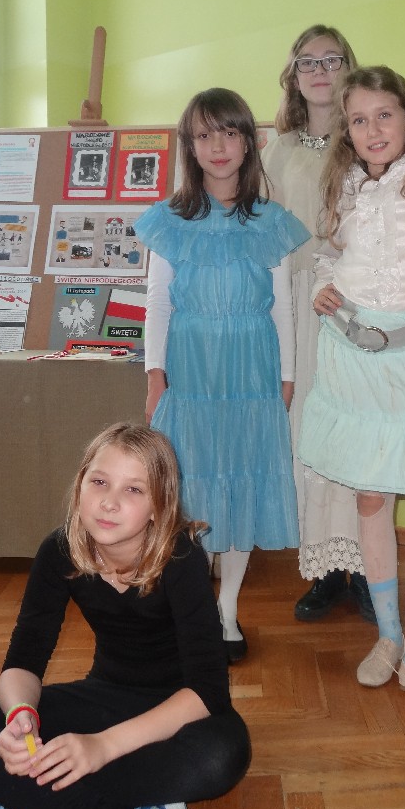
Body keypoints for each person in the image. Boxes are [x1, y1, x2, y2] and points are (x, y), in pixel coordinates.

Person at [0, 423, 250, 809]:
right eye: (99, 481)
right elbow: (23, 660)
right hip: (104, 698)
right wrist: (19, 717)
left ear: (159, 506)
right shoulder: (59, 551)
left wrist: (102, 747)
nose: (109, 501)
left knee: (221, 758)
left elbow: (207, 692)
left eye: (133, 490)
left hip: (181, 711)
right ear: (80, 484)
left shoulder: (181, 557)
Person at [297, 66, 405, 703]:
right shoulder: (343, 185)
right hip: (352, 355)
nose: (372, 130)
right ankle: (391, 638)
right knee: (370, 498)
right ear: (346, 130)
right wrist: (323, 283)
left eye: (384, 115)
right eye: (358, 120)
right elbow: (331, 251)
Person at [138, 88, 308, 664]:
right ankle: (190, 612)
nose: (218, 146)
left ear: (249, 143)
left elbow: (282, 308)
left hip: (251, 374)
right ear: (190, 145)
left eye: (229, 133)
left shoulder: (270, 222)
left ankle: (227, 610)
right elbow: (158, 305)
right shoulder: (170, 220)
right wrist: (154, 375)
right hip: (190, 374)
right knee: (190, 491)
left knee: (240, 488)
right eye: (204, 134)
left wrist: (287, 377)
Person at [262, 25, 375, 624]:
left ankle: (369, 568)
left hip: (361, 300)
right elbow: (264, 233)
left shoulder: (366, 136)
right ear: (294, 74)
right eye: (308, 61)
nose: (320, 70)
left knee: (360, 428)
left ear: (348, 67)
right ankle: (328, 569)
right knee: (313, 431)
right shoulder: (276, 151)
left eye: (332, 60)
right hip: (302, 304)